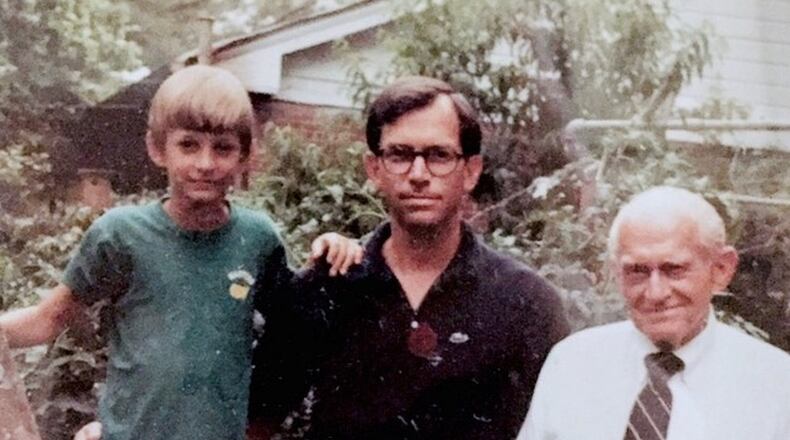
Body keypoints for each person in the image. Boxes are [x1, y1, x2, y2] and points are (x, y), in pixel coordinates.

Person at [0, 65, 361, 440]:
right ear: (157, 149)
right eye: (188, 145)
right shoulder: (120, 234)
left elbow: (295, 327)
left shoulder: (257, 238)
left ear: (245, 156)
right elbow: (47, 319)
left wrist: (332, 249)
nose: (205, 164)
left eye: (223, 148)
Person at [249, 76, 569, 439]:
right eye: (400, 155)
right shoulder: (326, 288)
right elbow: (255, 425)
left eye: (439, 155)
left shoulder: (528, 303)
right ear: (374, 169)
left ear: (471, 171)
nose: (418, 175)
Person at [517, 186, 790, 440]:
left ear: (721, 269)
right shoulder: (572, 365)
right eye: (637, 271)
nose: (655, 293)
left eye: (674, 269)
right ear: (616, 274)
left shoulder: (775, 385)